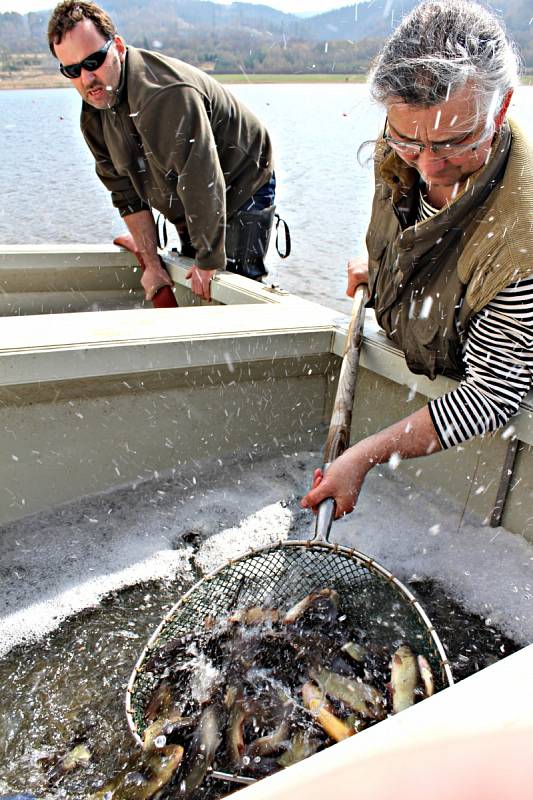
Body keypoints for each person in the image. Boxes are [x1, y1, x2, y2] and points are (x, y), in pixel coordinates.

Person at [302, 0, 532, 518]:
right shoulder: (407, 136)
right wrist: (377, 263)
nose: (429, 166)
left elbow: (492, 396)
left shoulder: (520, 240)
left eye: (454, 143)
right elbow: (404, 224)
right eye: (409, 140)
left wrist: (362, 456)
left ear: (500, 108)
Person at [47, 1, 278, 304]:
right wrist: (152, 263)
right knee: (191, 273)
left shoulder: (165, 95)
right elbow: (126, 194)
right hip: (185, 191)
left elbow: (201, 178)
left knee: (224, 286)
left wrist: (208, 262)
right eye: (72, 70)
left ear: (116, 46)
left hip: (242, 179)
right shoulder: (94, 115)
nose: (87, 78)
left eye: (93, 62)